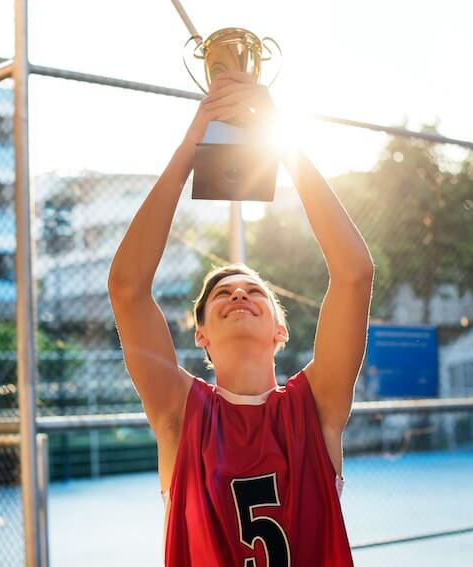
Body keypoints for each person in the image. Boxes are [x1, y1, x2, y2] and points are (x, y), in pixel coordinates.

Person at [108, 70, 374, 566]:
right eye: (221, 293)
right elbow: (127, 288)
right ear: (202, 336)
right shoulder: (180, 413)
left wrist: (281, 137)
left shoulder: (314, 408)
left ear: (280, 331)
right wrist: (194, 141)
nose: (238, 292)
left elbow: (355, 273)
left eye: (255, 290)